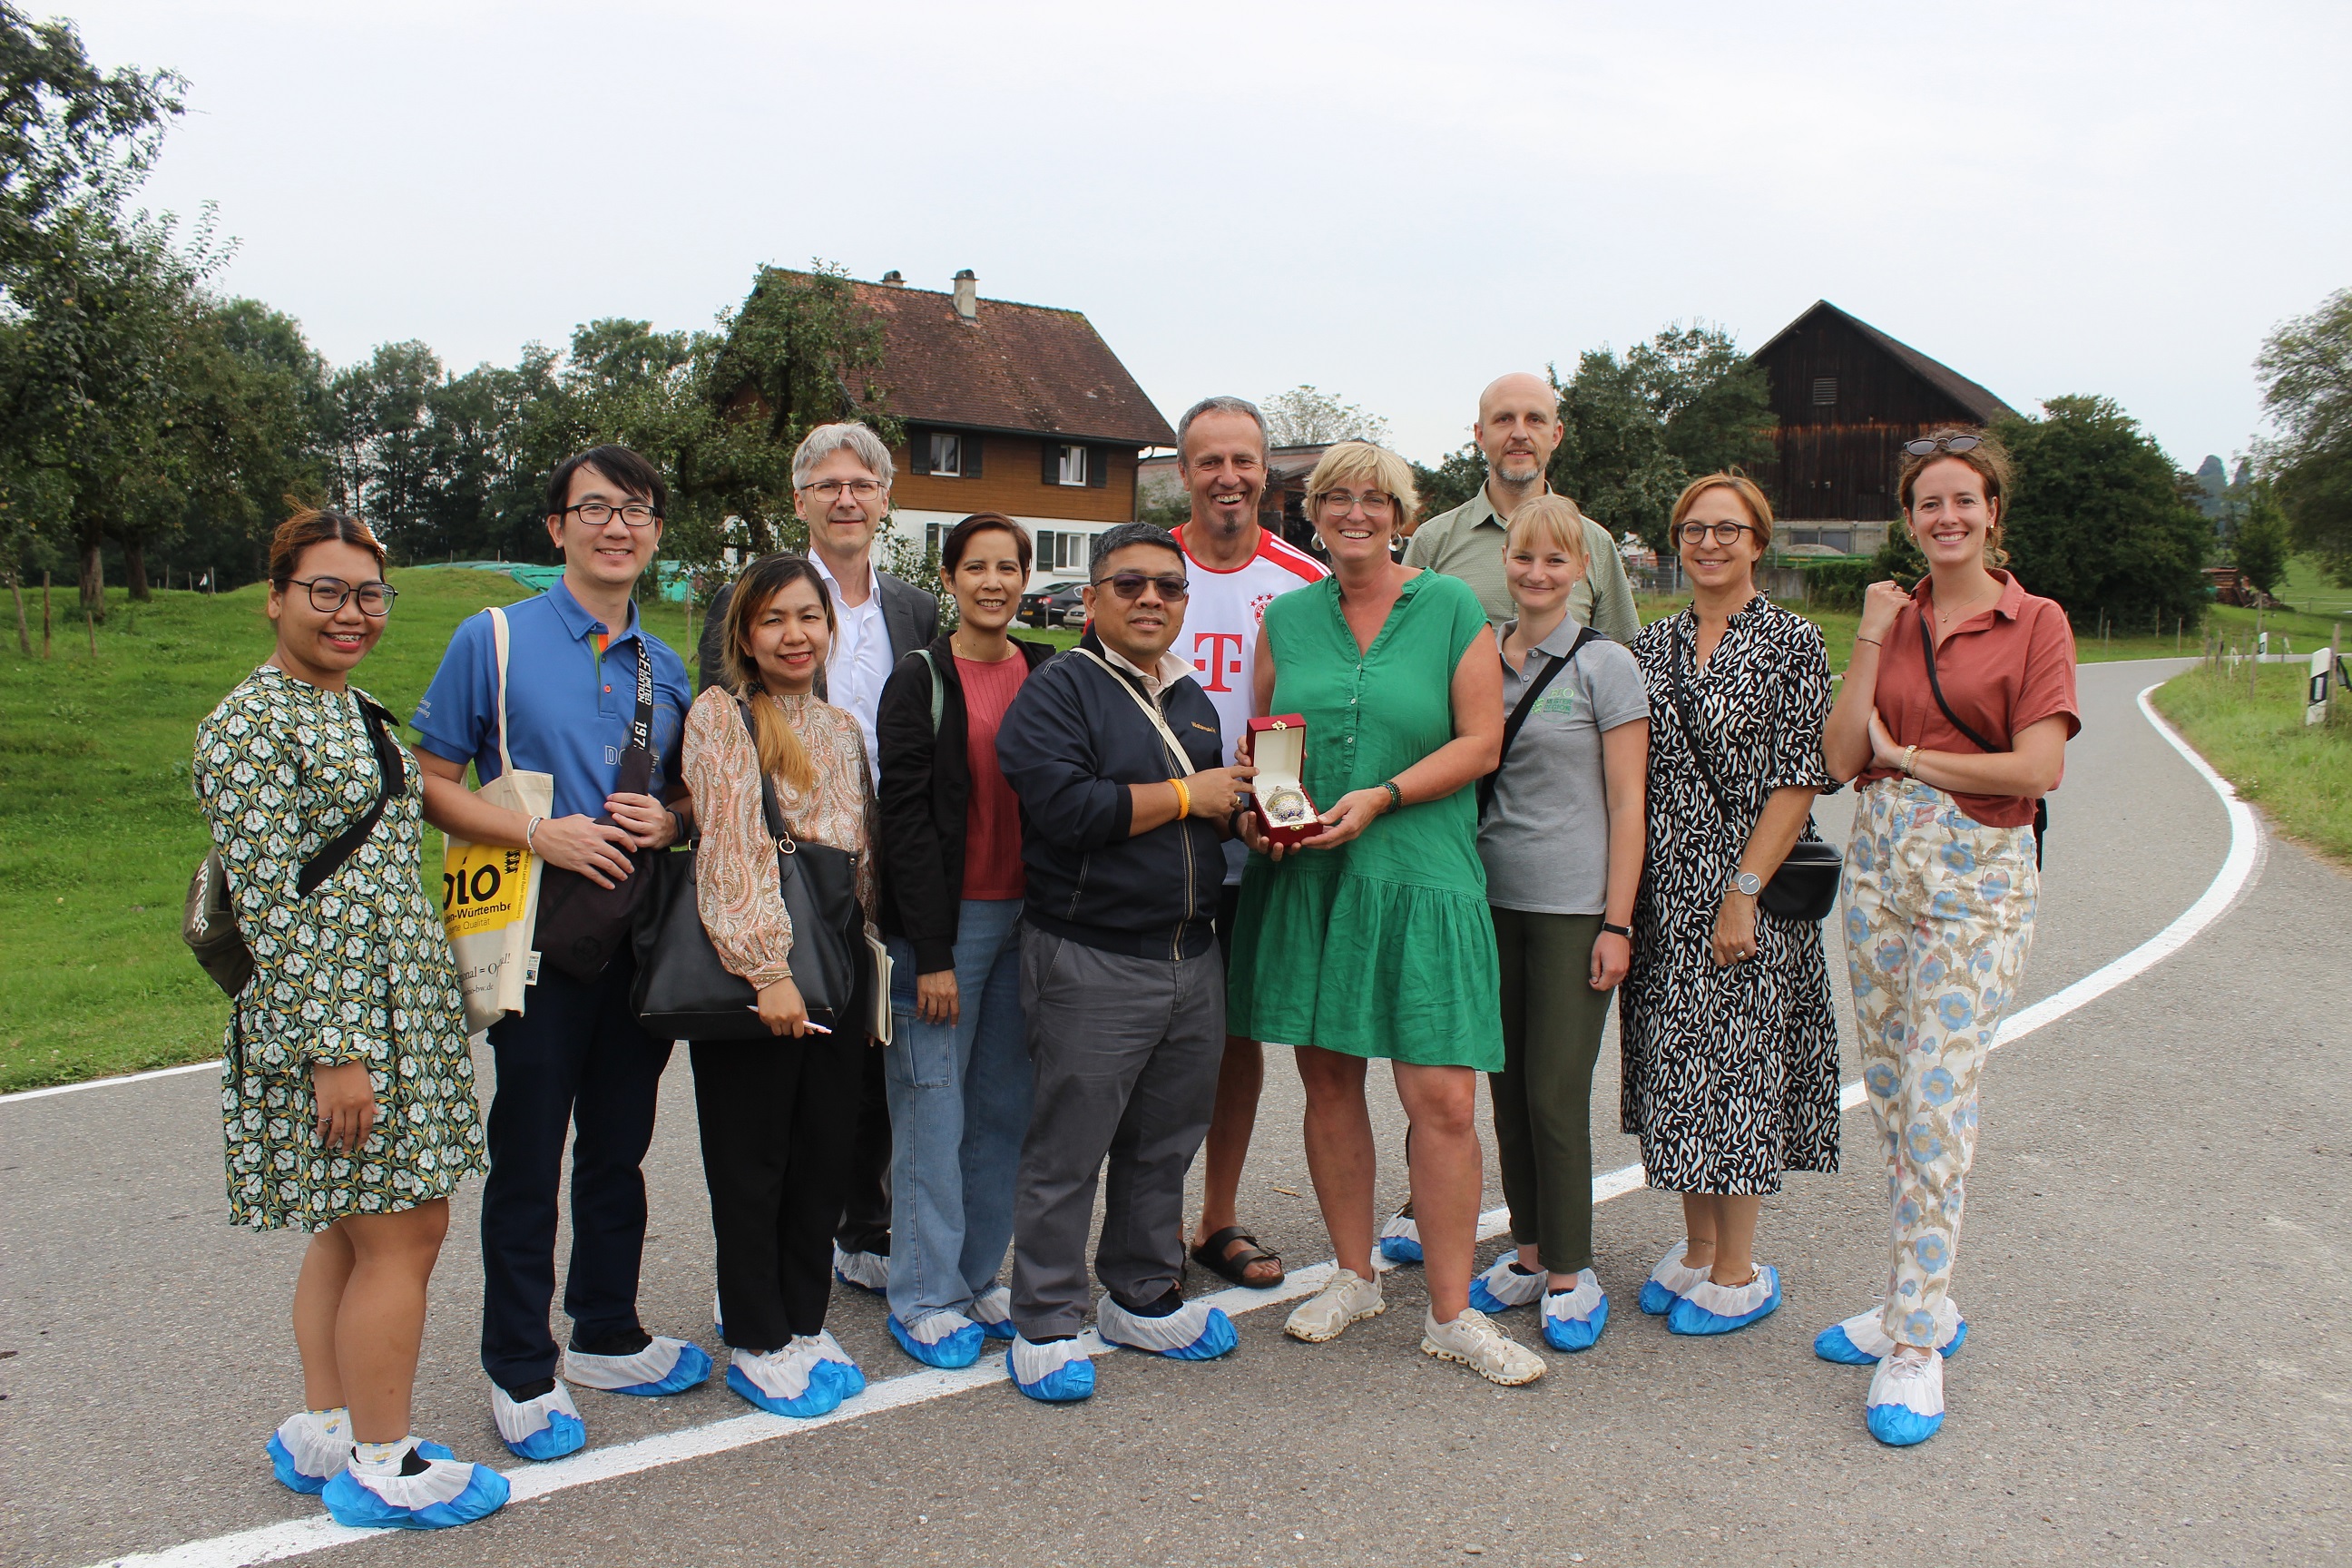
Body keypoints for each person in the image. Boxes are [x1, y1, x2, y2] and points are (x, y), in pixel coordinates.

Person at [195, 508, 505, 1530]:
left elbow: (410, 825)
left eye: (368, 594)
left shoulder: (360, 709)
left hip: (395, 1007)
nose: (349, 612)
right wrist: (336, 1055)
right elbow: (274, 908)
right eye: (324, 590)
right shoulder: (249, 725)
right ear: (276, 595)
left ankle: (327, 1424)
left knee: (347, 1229)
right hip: (336, 1020)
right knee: (403, 1233)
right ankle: (384, 1459)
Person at [1228, 442, 1545, 1387]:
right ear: (1312, 512)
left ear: (1403, 513)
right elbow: (1267, 749)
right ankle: (1355, 1274)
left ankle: (1453, 1313)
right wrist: (1259, 813)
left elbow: (1482, 742)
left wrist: (1381, 796)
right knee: (1329, 1084)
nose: (1354, 512)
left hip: (1420, 871)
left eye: (1375, 498)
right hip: (1312, 878)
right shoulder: (1284, 615)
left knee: (1442, 1100)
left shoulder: (1449, 606)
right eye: (1335, 498)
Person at [415, 445, 708, 1461]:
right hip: (534, 931)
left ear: (658, 532)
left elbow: (683, 796)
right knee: (530, 1156)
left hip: (635, 938)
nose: (616, 526)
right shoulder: (491, 639)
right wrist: (537, 834)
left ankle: (606, 1330)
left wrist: (668, 822)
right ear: (557, 527)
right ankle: (520, 1369)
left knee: (620, 1146)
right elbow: (430, 777)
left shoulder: (663, 664)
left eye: (636, 510)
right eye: (594, 509)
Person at [1820, 428, 2076, 1447]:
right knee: (1892, 1095)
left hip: (1978, 876)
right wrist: (1874, 638)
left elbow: (2036, 770)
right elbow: (1844, 760)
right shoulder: (1897, 612)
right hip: (1880, 865)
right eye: (1929, 503)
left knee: (1936, 1097)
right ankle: (1912, 1297)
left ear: (1992, 513)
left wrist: (1915, 760)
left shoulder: (2037, 620)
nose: (1946, 518)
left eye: (1963, 501)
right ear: (1910, 515)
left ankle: (1919, 1339)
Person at [993, 522, 1255, 1402]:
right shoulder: (1058, 691)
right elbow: (1066, 809)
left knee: (1163, 1142)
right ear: (1091, 598)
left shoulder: (1195, 700)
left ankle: (1140, 1293)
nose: (1151, 600)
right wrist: (1192, 794)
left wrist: (1251, 814)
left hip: (1190, 952)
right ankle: (1046, 1315)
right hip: (1092, 954)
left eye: (1168, 588)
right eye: (1130, 585)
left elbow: (1210, 815)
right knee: (1069, 1147)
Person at [700, 422, 939, 1297]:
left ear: (884, 500)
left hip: (884, 857)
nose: (847, 498)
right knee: (781, 1086)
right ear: (800, 500)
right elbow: (723, 746)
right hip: (787, 868)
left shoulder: (913, 607)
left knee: (869, 1040)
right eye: (828, 484)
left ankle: (862, 1220)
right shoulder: (756, 596)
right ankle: (778, 1278)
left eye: (862, 484)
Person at [1619, 472, 1839, 1340]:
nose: (1709, 544)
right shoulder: (1652, 645)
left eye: (1727, 529)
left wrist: (1742, 891)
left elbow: (1799, 777)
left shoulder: (1793, 642)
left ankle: (1742, 1270)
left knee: (1738, 1068)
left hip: (1749, 882)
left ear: (1758, 540)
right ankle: (1701, 1246)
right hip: (1663, 886)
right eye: (1693, 531)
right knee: (1675, 1065)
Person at [682, 553, 880, 1416]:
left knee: (823, 1156)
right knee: (753, 1159)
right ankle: (758, 1335)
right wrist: (768, 969)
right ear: (746, 637)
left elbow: (859, 859)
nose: (794, 635)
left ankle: (804, 1320)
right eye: (773, 620)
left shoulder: (840, 728)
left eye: (808, 616)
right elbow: (731, 849)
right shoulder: (724, 717)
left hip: (839, 958)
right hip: (763, 961)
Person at [872, 514, 1056, 1367]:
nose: (993, 581)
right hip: (949, 927)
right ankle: (922, 1293)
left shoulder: (1051, 670)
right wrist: (933, 952)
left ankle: (979, 1276)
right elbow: (904, 822)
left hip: (1034, 918)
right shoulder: (920, 679)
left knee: (1003, 1111)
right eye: (975, 567)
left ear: (1025, 579)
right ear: (949, 579)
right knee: (931, 1107)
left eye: (1008, 567)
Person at [1468, 495, 1650, 1353]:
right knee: (1505, 1088)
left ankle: (1574, 1264)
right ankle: (1531, 1247)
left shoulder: (1603, 664)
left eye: (1556, 561)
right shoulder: (1480, 657)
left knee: (1553, 1090)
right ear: (1506, 563)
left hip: (1575, 906)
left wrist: (1619, 921)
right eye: (1523, 558)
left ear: (1582, 571)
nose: (1537, 573)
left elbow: (1627, 799)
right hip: (1489, 899)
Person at [1168, 395, 1328, 1292]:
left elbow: (1303, 715)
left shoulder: (1302, 579)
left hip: (1261, 837)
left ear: (1264, 470)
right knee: (1151, 1033)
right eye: (1210, 461)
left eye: (1244, 461)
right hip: (1164, 832)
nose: (1228, 477)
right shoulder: (1146, 570)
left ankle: (1215, 1216)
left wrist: (1276, 807)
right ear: (1185, 471)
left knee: (1236, 1037)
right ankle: (1147, 1217)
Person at [1402, 371, 1641, 641]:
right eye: (1504, 419)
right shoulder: (1432, 542)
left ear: (1556, 435)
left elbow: (1622, 653)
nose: (1519, 433)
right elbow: (1406, 648)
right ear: (1480, 435)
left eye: (1535, 420)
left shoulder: (1595, 543)